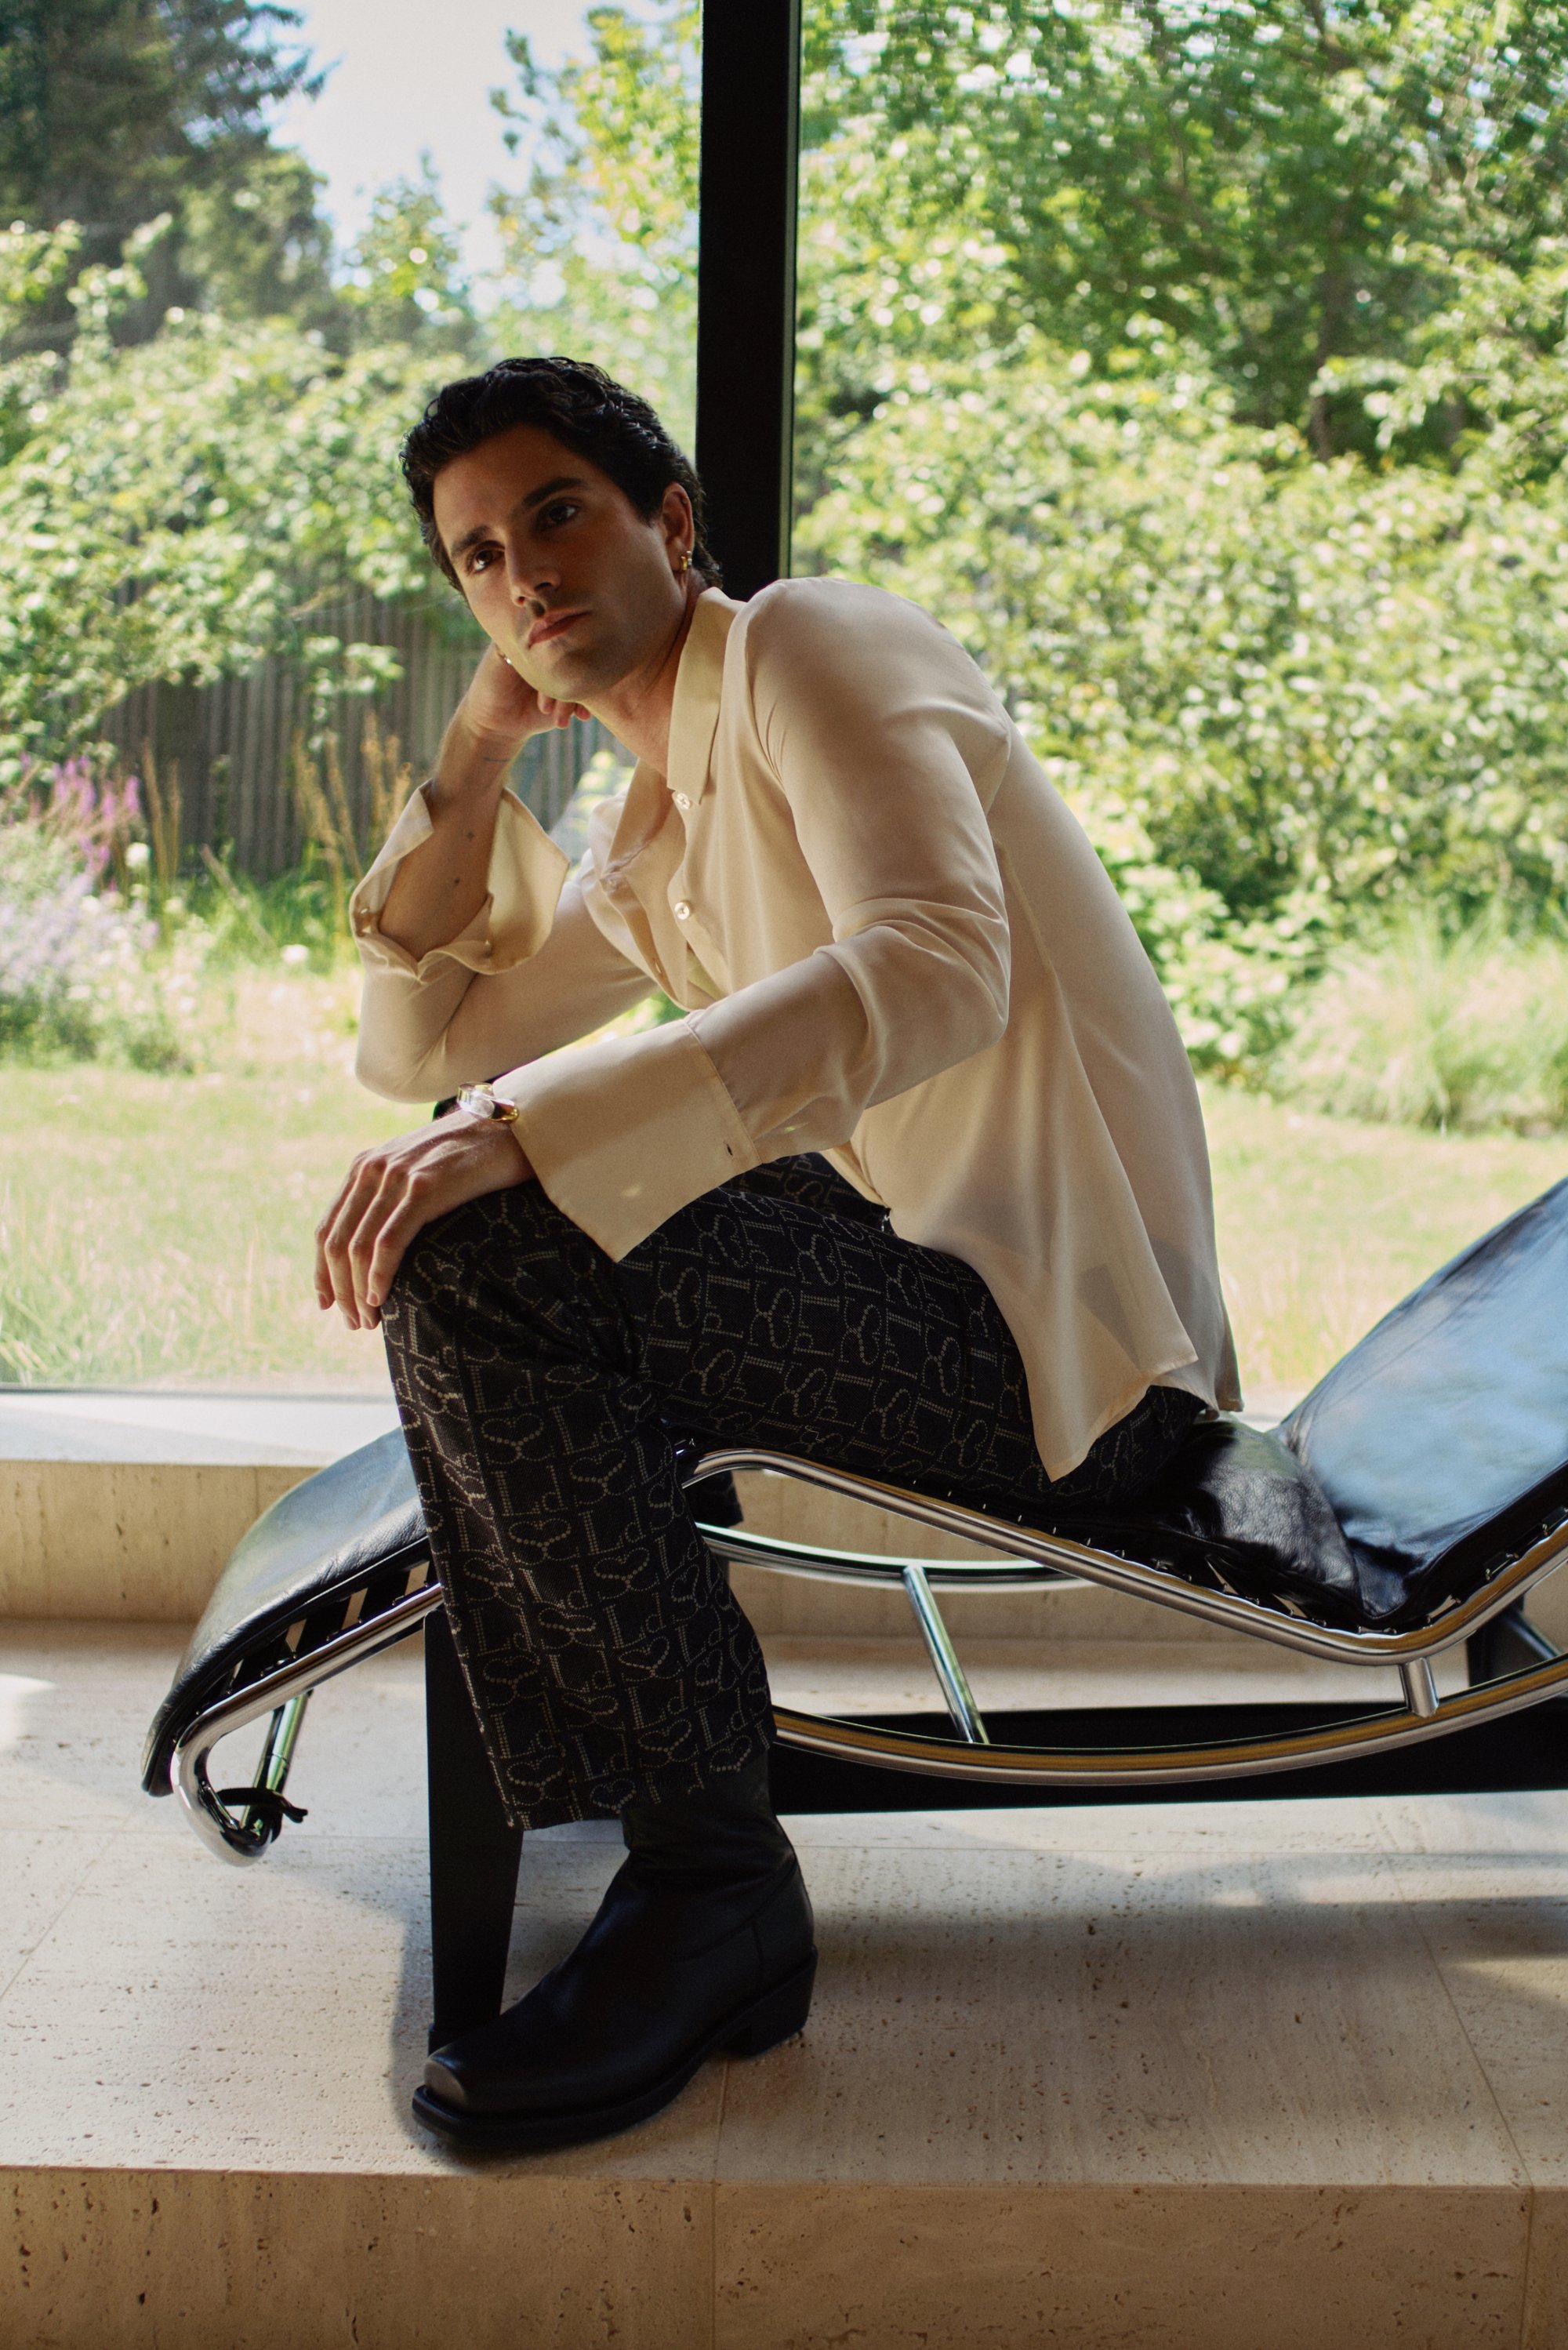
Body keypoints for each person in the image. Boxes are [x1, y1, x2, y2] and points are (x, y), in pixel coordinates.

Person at [317, 354, 1240, 2152]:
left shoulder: (816, 647)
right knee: (489, 1234)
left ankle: (708, 1875)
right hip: (922, 1278)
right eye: (479, 556)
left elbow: (934, 964)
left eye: (559, 514)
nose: (525, 575)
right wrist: (479, 744)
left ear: (672, 519)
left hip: (1070, 1356)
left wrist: (531, 1136)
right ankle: (678, 1824)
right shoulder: (652, 826)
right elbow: (422, 1043)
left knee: (490, 1251)